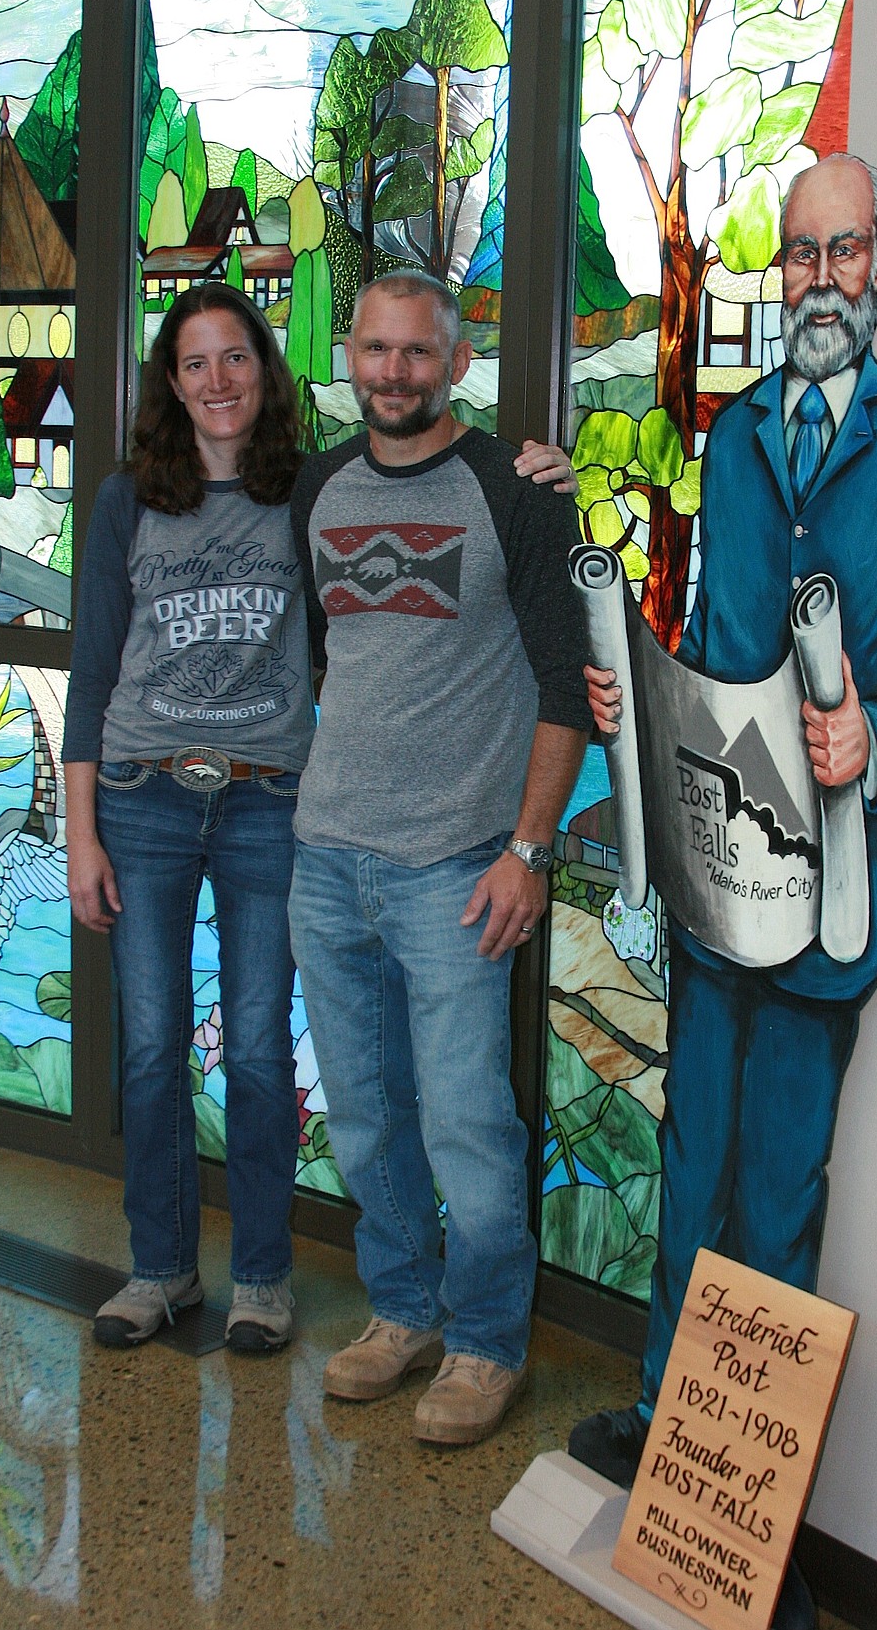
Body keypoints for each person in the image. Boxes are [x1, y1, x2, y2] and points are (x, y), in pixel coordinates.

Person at [570, 156, 877, 1626]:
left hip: (825, 916)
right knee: (690, 1171)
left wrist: (875, 736)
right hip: (712, 887)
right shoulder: (732, 439)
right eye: (793, 255)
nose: (813, 279)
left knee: (777, 1206)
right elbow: (718, 647)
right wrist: (643, 685)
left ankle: (756, 1522)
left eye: (838, 252)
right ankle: (662, 1429)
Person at [287, 270, 592, 1446]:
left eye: (418, 352)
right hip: (329, 858)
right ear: (350, 355)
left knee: (468, 1119)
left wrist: (528, 847)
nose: (394, 371)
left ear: (454, 362)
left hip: (456, 869)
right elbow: (329, 657)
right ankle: (404, 1309)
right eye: (375, 348)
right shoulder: (319, 485)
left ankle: (485, 1341)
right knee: (364, 1114)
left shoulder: (511, 491)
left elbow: (568, 682)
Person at [64, 283, 316, 1352]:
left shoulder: (313, 493)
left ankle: (261, 1277)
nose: (218, 381)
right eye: (196, 363)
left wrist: (526, 468)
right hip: (143, 798)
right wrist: (78, 834)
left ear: (265, 370)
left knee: (257, 1049)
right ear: (172, 382)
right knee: (155, 1047)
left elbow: (427, 466)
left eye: (237, 358)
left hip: (270, 803)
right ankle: (160, 1268)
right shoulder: (128, 501)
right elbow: (89, 673)